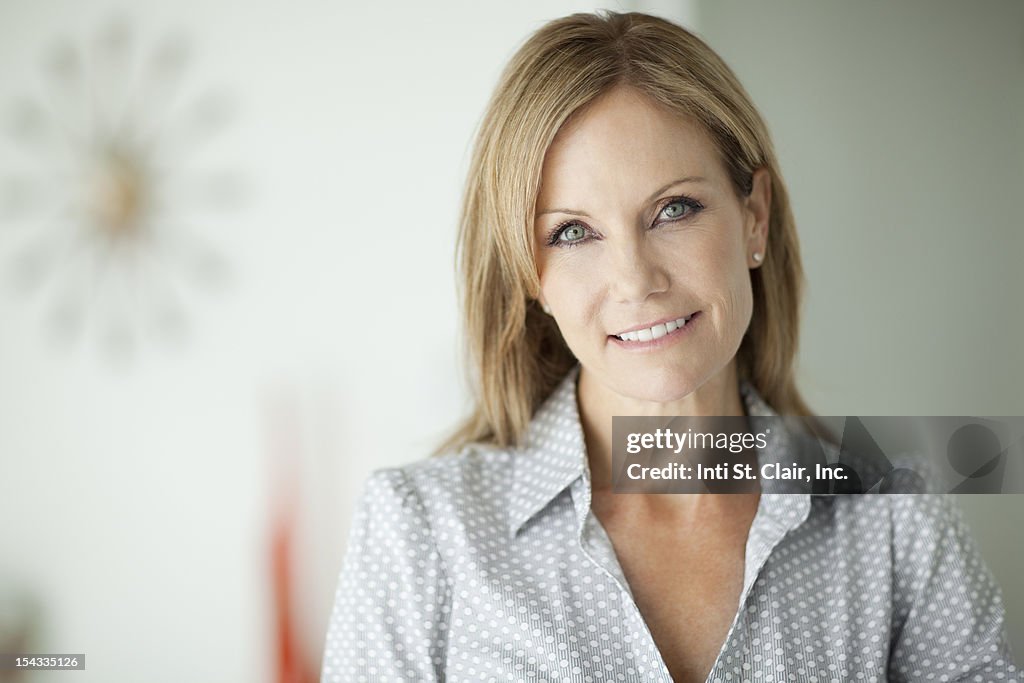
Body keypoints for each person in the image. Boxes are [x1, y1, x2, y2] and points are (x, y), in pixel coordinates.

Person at [320, 11, 1019, 682]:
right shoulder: (421, 530)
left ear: (755, 215)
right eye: (571, 232)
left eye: (673, 210)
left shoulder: (895, 509)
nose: (635, 280)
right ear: (529, 275)